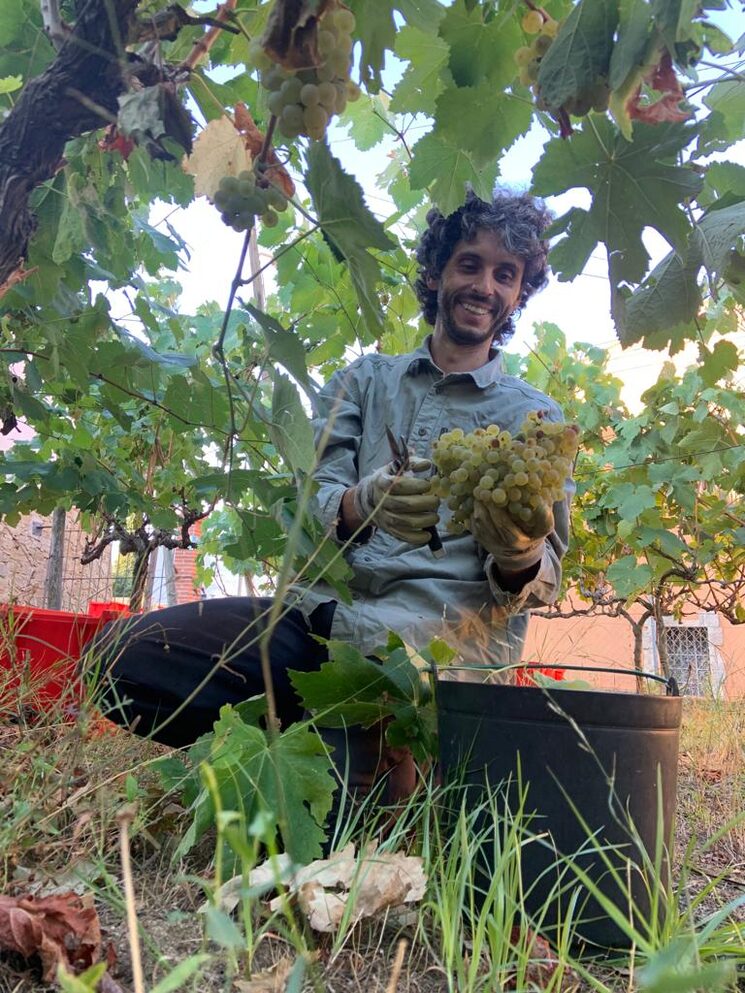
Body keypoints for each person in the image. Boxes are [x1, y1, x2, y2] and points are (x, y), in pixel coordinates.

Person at [94, 189, 572, 800]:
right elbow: (311, 499)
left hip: (425, 656)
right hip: (314, 622)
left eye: (506, 274)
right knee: (116, 659)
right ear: (436, 273)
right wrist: (357, 503)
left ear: (518, 293)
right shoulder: (363, 380)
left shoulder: (533, 420)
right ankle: (287, 743)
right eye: (470, 264)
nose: (485, 285)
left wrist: (519, 553)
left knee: (339, 820)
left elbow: (546, 578)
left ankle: (351, 760)